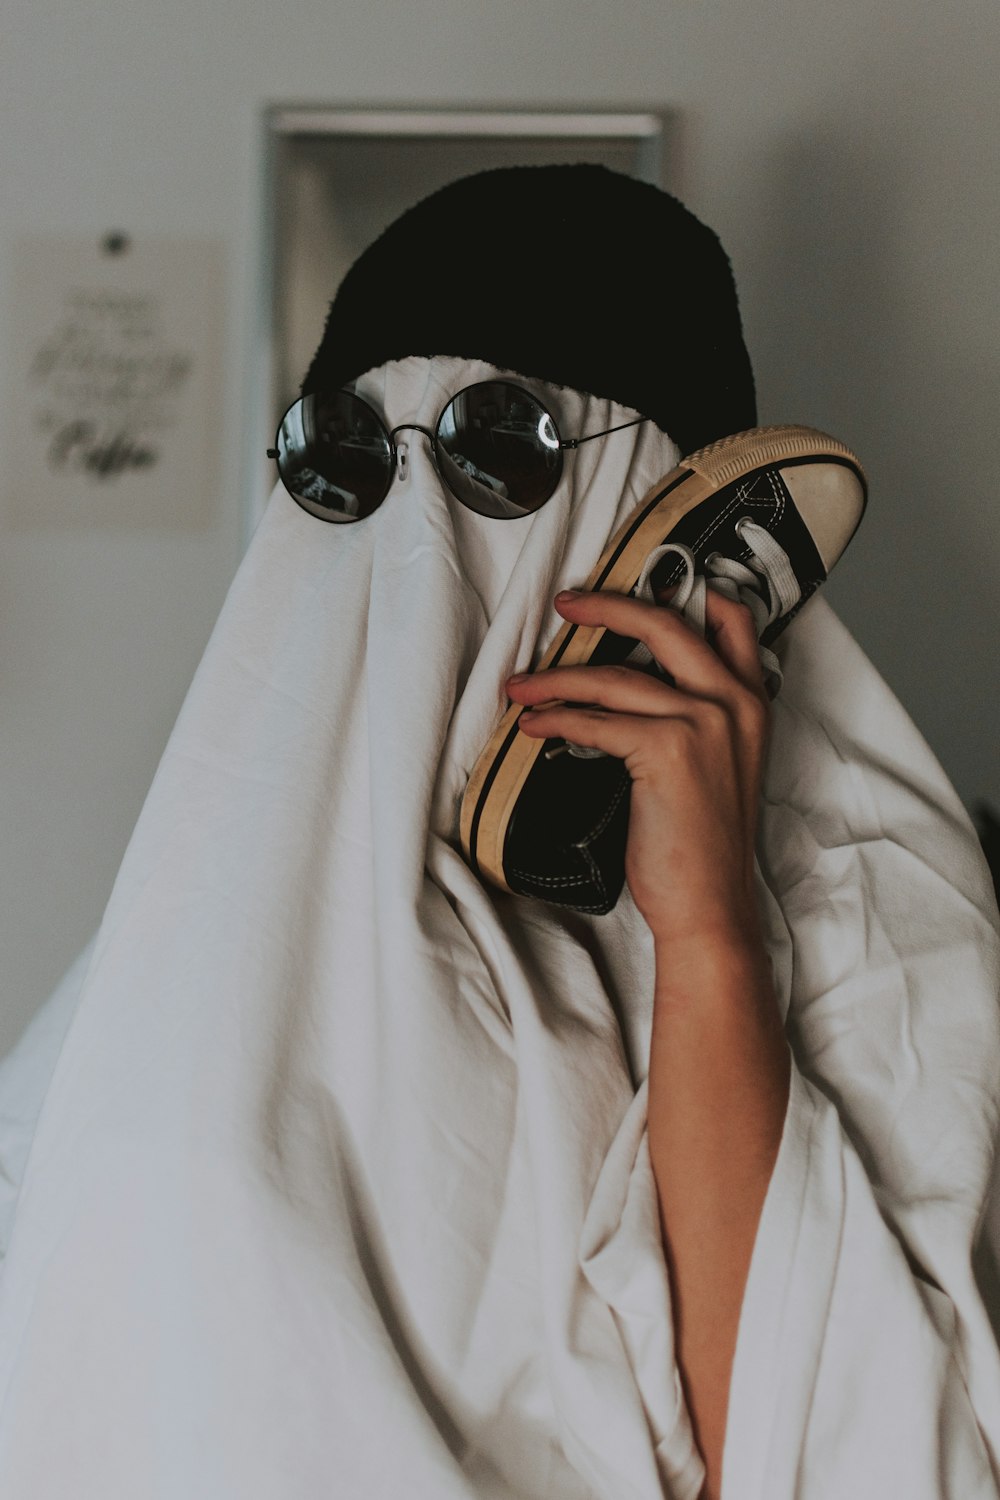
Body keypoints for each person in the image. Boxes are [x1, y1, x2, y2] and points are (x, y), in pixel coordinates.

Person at [1, 164, 999, 1500]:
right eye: (340, 458)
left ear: (667, 524)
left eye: (502, 447)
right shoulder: (156, 970)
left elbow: (846, 1457)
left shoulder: (866, 912)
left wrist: (709, 942)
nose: (416, 529)